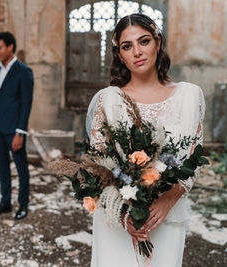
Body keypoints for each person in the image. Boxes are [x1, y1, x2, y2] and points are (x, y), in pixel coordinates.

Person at [86, 14, 205, 266]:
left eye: (144, 41)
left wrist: (168, 199)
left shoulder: (189, 97)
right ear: (119, 54)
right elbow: (98, 166)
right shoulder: (108, 100)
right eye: (127, 46)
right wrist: (124, 214)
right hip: (118, 221)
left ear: (158, 43)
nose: (137, 52)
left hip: (165, 216)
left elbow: (193, 159)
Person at [0, 32, 34, 220]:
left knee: (21, 168)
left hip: (14, 129)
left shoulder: (23, 71)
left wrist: (20, 132)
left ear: (10, 47)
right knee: (2, 166)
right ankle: (5, 202)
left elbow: (26, 103)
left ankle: (23, 205)